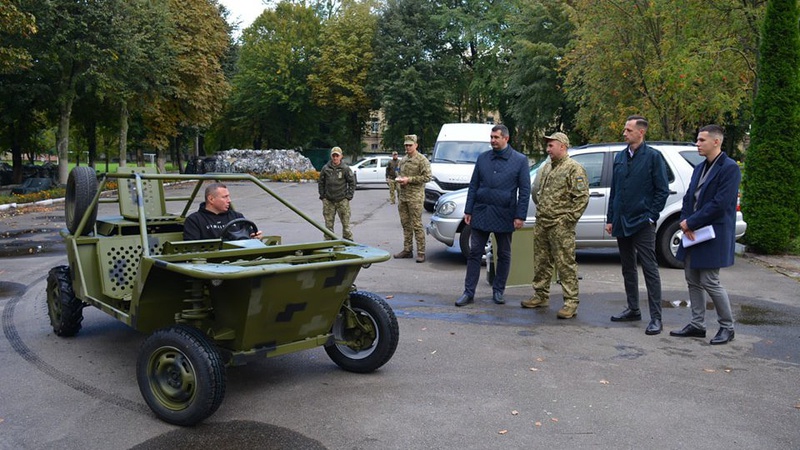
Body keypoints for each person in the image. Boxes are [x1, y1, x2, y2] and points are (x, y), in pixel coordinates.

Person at [670, 125, 741, 345]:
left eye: (702, 140)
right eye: (697, 140)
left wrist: (691, 222)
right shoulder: (700, 167)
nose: (697, 144)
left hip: (713, 234)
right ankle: (697, 324)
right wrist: (685, 223)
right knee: (692, 279)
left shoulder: (730, 168)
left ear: (716, 142)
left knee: (710, 281)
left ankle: (727, 327)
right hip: (693, 233)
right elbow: (688, 198)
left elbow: (720, 203)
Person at [606, 115, 669, 335]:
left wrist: (651, 217)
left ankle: (656, 318)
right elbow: (615, 190)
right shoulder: (620, 157)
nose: (624, 133)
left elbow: (662, 190)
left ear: (641, 132)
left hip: (642, 222)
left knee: (650, 269)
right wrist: (610, 218)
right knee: (627, 267)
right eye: (625, 129)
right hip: (621, 221)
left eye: (628, 130)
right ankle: (633, 309)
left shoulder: (653, 157)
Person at [455, 124, 530, 306]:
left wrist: (520, 216)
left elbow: (525, 191)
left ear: (506, 138)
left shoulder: (520, 160)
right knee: (474, 253)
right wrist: (468, 210)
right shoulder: (483, 158)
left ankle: (498, 291)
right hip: (481, 212)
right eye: (491, 137)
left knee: (503, 254)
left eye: (496, 137)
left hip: (505, 214)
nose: (492, 140)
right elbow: (473, 185)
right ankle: (468, 293)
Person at [521, 132, 589, 319]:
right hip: (543, 222)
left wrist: (567, 220)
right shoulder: (547, 167)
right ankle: (540, 295)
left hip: (560, 225)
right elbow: (539, 192)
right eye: (547, 145)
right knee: (541, 261)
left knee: (565, 264)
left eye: (551, 145)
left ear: (562, 146)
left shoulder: (574, 168)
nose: (547, 149)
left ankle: (571, 302)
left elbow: (582, 198)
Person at [393, 134, 432, 263]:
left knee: (417, 225)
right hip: (403, 196)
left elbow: (427, 177)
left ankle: (421, 252)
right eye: (406, 145)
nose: (408, 147)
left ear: (416, 145)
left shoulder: (422, 160)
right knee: (405, 224)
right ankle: (407, 250)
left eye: (410, 145)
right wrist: (399, 179)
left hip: (415, 197)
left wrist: (409, 180)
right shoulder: (403, 159)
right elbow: (399, 172)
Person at [184, 183, 262, 240]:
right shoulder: (194, 220)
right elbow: (192, 248)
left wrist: (255, 237)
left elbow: (250, 235)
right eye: (225, 197)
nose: (229, 200)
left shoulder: (237, 217)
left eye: (228, 196)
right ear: (211, 199)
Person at [318, 146, 355, 240]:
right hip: (329, 201)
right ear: (331, 156)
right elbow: (321, 182)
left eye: (337, 156)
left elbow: (352, 182)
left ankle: (348, 242)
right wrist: (323, 196)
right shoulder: (325, 168)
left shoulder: (345, 168)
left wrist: (349, 196)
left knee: (346, 224)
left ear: (341, 156)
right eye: (333, 156)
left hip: (342, 200)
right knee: (328, 225)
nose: (335, 158)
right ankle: (329, 242)